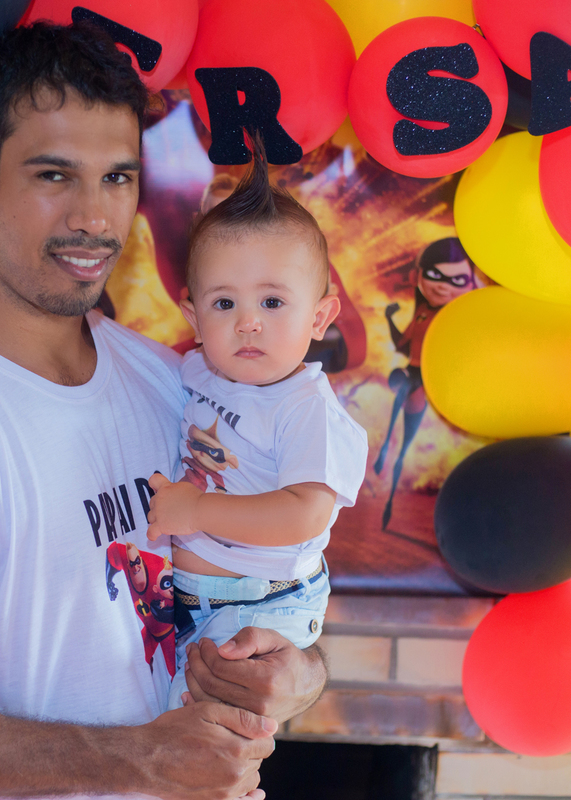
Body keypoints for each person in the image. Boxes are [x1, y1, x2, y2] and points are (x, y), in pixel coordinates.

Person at [0, 22, 329, 800]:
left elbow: (278, 587)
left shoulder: (167, 378)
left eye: (118, 178)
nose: (95, 217)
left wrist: (294, 674)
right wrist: (138, 760)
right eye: (54, 175)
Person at [144, 146, 368, 711]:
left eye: (272, 301)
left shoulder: (304, 406)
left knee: (200, 732)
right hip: (195, 599)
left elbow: (304, 513)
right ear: (193, 318)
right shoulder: (196, 371)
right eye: (224, 302)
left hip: (258, 605)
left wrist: (194, 513)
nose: (248, 321)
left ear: (319, 318)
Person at [374, 237, 480, 529]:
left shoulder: (462, 319)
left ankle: (394, 486)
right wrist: (389, 320)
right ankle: (386, 458)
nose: (443, 286)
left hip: (442, 385)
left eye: (457, 279)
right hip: (413, 373)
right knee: (397, 420)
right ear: (418, 275)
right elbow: (403, 345)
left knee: (409, 438)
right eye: (434, 275)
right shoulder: (421, 312)